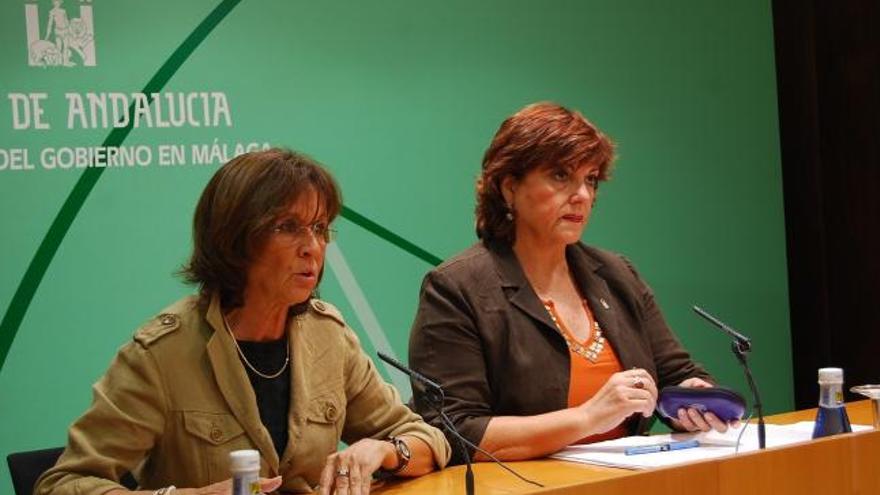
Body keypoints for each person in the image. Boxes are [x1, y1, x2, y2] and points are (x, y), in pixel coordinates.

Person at [36, 149, 449, 495]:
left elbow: (428, 438)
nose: (313, 247)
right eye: (289, 227)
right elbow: (63, 483)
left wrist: (383, 451)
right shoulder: (162, 353)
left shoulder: (329, 336)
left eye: (320, 228)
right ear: (236, 238)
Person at [408, 102, 732, 464]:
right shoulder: (457, 287)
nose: (582, 195)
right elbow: (453, 430)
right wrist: (588, 418)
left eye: (590, 179)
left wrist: (692, 398)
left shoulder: (615, 273)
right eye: (560, 176)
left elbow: (677, 373)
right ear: (509, 187)